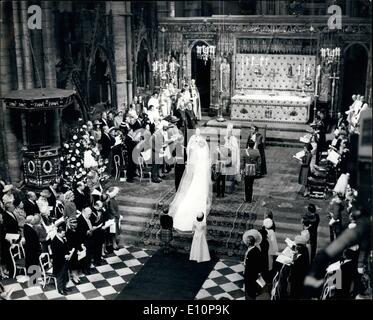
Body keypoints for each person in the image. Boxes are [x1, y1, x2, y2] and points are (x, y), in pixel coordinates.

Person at [169, 128, 212, 232]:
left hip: (198, 172)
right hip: (200, 172)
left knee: (195, 187)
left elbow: (192, 159)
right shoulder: (201, 151)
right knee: (197, 187)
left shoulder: (197, 151)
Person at [51, 224, 72, 295]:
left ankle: (64, 287)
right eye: (63, 233)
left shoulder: (62, 238)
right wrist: (64, 256)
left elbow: (65, 248)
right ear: (58, 232)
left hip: (64, 261)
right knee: (60, 276)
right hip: (59, 262)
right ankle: (60, 289)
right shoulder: (54, 241)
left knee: (65, 275)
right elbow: (56, 254)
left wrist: (68, 252)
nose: (64, 234)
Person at [242, 229, 263, 300]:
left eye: (247, 241)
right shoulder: (255, 249)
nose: (246, 242)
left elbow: (251, 266)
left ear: (249, 243)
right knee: (250, 290)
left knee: (250, 291)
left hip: (250, 275)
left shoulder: (253, 252)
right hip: (251, 274)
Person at [289, 235, 310, 299]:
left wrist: (292, 263)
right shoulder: (305, 250)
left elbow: (295, 270)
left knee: (295, 294)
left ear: (299, 246)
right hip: (300, 279)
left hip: (297, 280)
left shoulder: (301, 257)